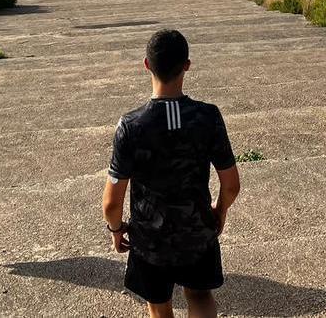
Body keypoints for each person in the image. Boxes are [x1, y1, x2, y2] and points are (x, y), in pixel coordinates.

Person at [102, 29, 242, 318]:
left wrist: (116, 230)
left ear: (146, 65)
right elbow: (231, 185)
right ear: (187, 65)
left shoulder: (130, 125)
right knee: (201, 295)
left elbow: (112, 203)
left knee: (159, 305)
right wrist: (219, 212)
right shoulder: (208, 116)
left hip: (150, 240)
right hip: (197, 231)